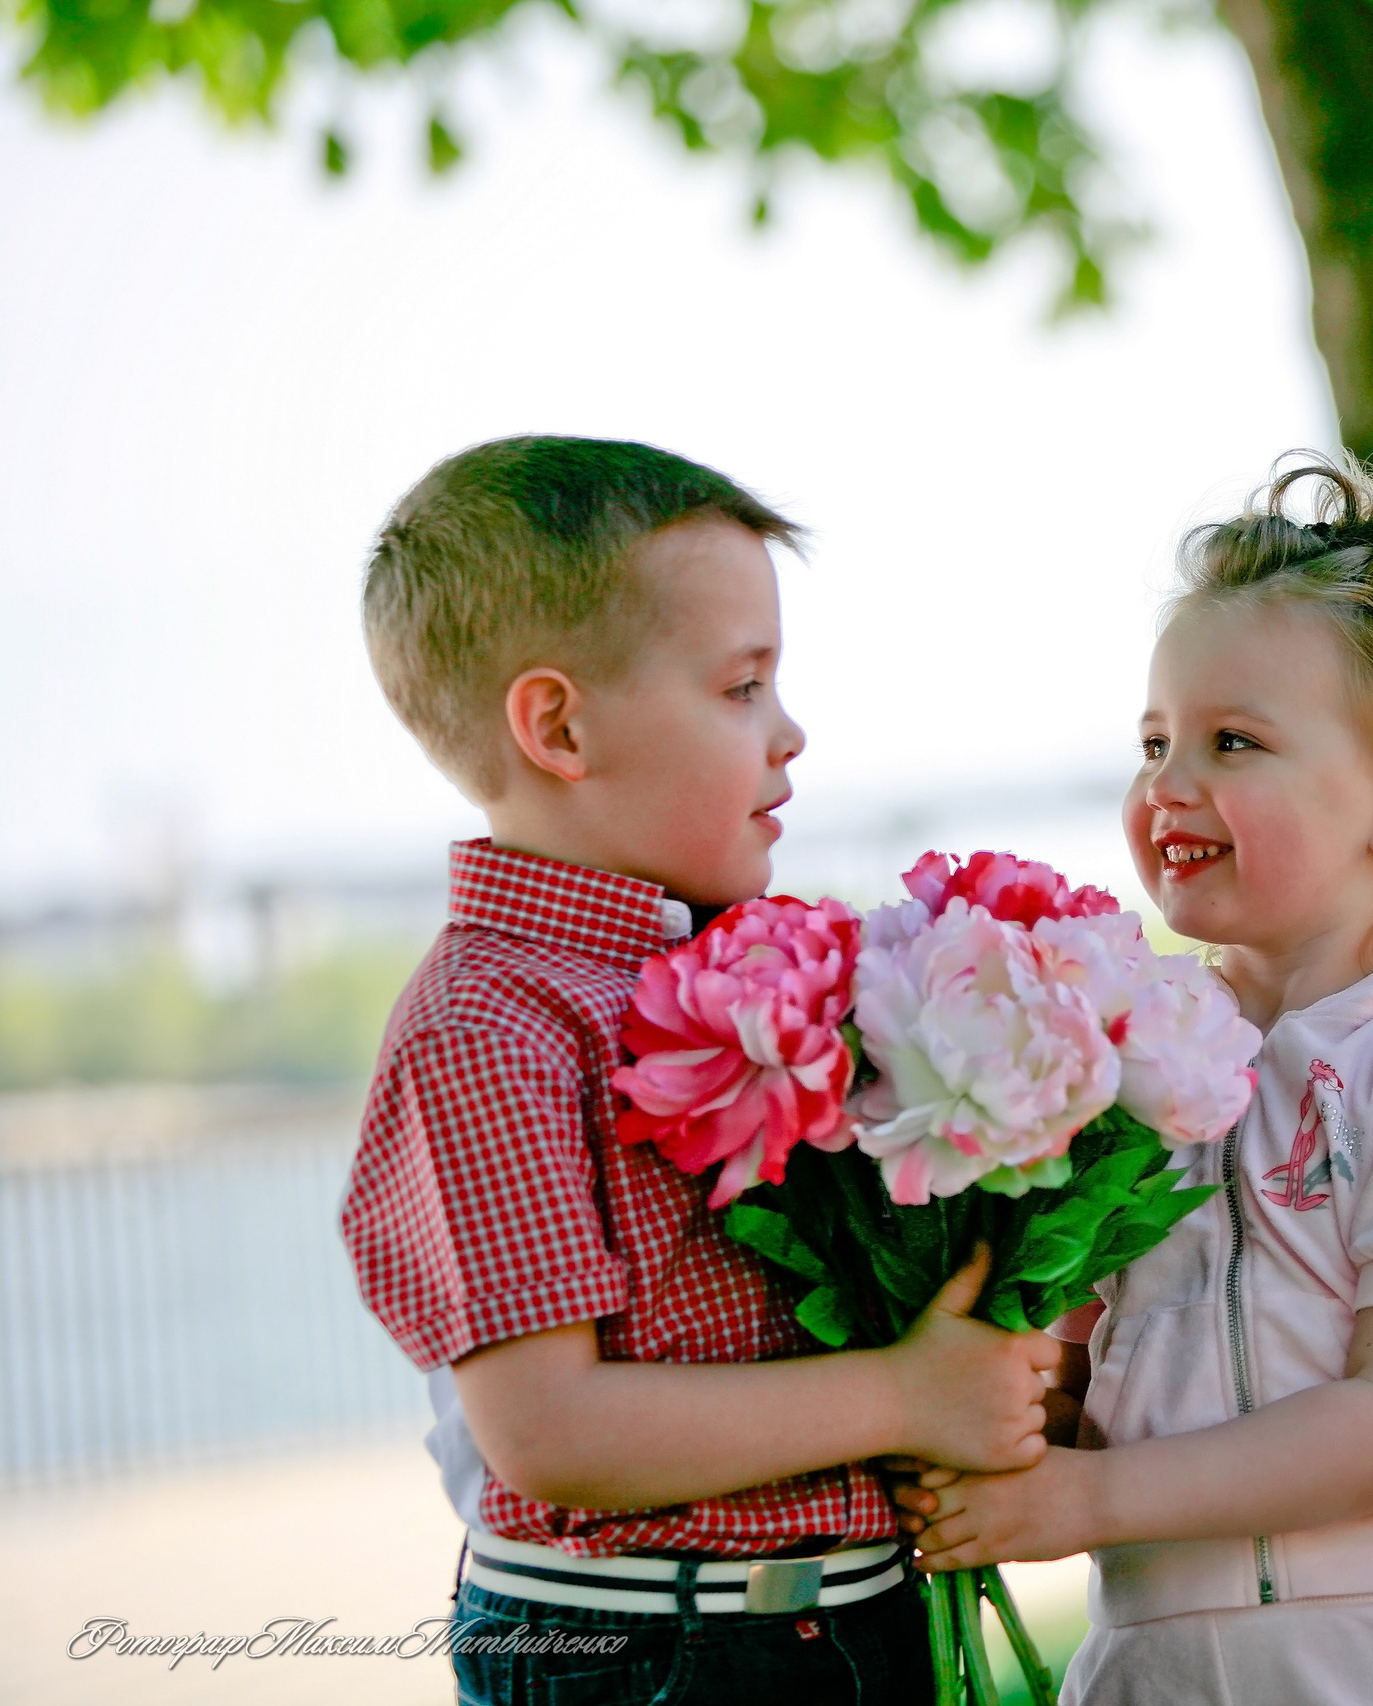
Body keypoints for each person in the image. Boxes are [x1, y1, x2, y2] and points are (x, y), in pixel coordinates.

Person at [892, 453, 1373, 1704]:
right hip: (1156, 1661)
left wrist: (1087, 1497)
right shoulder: (1113, 1063)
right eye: (1155, 741)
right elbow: (1077, 1378)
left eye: (1232, 741)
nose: (1167, 785)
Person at [339, 436, 1060, 1706]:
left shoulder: (732, 962)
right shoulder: (488, 1025)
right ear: (557, 723)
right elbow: (551, 1432)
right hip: (653, 1653)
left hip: (843, 1625)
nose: (789, 730)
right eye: (741, 687)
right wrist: (903, 1392)